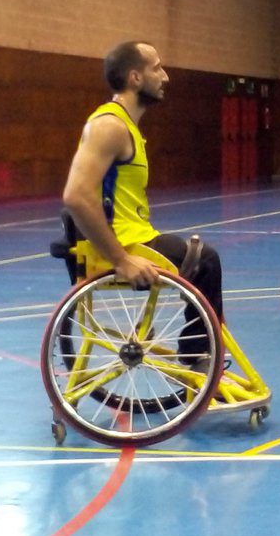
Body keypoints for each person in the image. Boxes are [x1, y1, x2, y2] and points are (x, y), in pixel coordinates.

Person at [62, 41, 223, 363]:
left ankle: (202, 352)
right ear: (135, 77)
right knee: (205, 260)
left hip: (133, 236)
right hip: (121, 244)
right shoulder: (110, 126)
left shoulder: (126, 126)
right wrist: (121, 260)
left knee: (201, 257)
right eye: (157, 68)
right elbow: (76, 196)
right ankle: (199, 356)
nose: (165, 77)